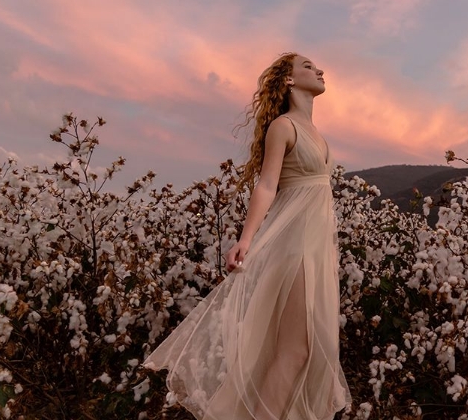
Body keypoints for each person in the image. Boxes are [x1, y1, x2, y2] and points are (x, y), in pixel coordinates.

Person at [144, 52, 351, 420]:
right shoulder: (283, 127)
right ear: (288, 80)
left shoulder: (317, 134)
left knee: (312, 352)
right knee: (297, 350)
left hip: (319, 251)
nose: (319, 70)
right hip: (297, 246)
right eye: (307, 66)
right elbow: (267, 185)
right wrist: (246, 238)